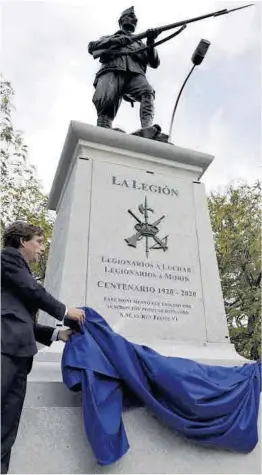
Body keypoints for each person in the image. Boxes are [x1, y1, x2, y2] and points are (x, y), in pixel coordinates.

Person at [1, 221, 85, 474]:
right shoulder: (8, 259)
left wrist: (59, 334)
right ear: (22, 241)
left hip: (19, 353)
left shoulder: (15, 279)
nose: (41, 248)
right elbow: (33, 290)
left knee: (7, 424)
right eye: (38, 241)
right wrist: (64, 311)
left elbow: (23, 321)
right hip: (3, 348)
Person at [88, 6, 160, 129]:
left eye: (135, 19)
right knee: (107, 101)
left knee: (147, 92)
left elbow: (154, 63)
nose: (134, 20)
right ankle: (104, 128)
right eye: (130, 17)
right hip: (112, 70)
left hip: (134, 74)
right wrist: (115, 41)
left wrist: (150, 41)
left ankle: (147, 128)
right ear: (122, 20)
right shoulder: (109, 37)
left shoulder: (139, 43)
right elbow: (92, 47)